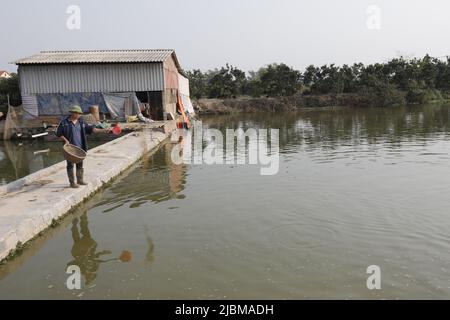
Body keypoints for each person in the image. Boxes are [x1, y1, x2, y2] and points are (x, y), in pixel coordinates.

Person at [56, 105, 110, 188]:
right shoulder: (64, 123)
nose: (78, 115)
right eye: (77, 113)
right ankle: (72, 183)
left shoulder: (81, 123)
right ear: (72, 113)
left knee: (80, 164)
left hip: (80, 147)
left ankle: (80, 180)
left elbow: (92, 129)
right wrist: (65, 140)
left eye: (79, 113)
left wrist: (104, 130)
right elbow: (58, 133)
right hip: (69, 148)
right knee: (70, 165)